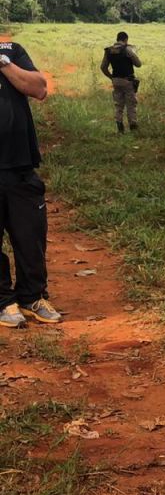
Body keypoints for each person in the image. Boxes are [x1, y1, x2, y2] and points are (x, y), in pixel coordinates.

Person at [0, 39, 61, 328]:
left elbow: (39, 89)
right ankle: (3, 302)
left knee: (31, 237)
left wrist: (4, 64)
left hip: (21, 165)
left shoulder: (11, 50)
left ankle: (32, 296)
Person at [100, 31, 142, 134]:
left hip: (116, 81)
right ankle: (133, 127)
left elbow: (103, 67)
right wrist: (132, 52)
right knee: (131, 104)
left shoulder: (109, 50)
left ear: (117, 39)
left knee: (118, 105)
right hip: (127, 81)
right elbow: (138, 64)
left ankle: (120, 128)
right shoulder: (127, 49)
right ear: (126, 39)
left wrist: (111, 77)